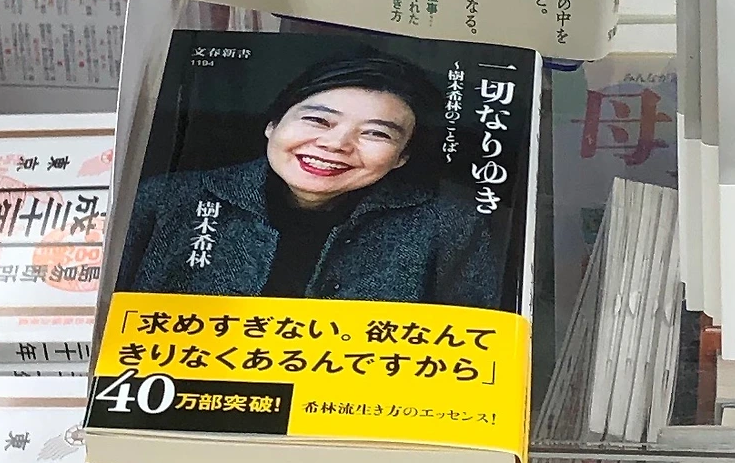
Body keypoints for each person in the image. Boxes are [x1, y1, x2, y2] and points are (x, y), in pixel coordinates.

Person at [117, 49, 516, 308]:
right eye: (318, 121)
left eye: (376, 133)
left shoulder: (450, 226)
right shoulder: (165, 201)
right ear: (273, 125)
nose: (336, 144)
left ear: (401, 157)